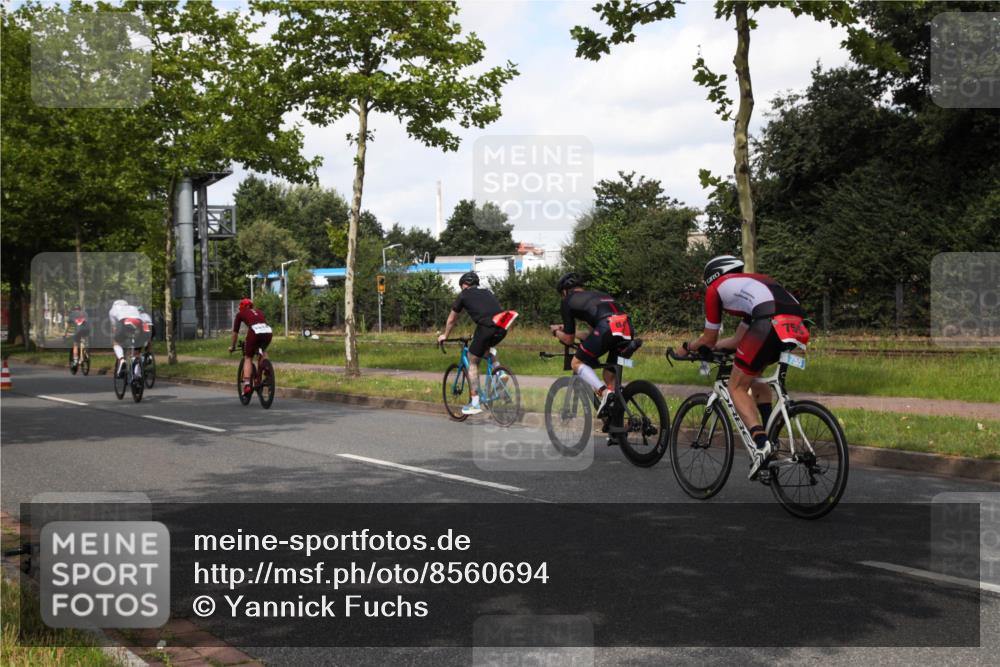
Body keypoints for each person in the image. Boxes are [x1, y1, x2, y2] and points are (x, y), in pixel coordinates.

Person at [675, 255, 810, 479]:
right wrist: (716, 347)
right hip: (796, 323)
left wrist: (689, 347)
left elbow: (708, 339)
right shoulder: (751, 285)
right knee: (755, 378)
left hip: (768, 321)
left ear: (713, 276)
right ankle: (771, 438)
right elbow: (739, 340)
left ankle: (762, 443)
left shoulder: (715, 289)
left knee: (736, 386)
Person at [550, 272, 634, 418]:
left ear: (564, 291)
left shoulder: (567, 301)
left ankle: (603, 392)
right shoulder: (596, 296)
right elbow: (593, 335)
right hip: (626, 327)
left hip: (607, 328)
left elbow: (568, 340)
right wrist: (575, 333)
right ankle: (616, 423)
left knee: (576, 362)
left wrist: (556, 332)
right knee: (609, 375)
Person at [436, 272, 517, 415]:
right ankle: (500, 372)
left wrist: (445, 335)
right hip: (502, 325)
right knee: (487, 349)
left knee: (473, 360)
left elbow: (452, 320)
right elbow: (488, 313)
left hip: (486, 327)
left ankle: (475, 402)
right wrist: (477, 334)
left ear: (464, 285)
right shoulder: (487, 292)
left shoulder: (463, 295)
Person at [229, 298, 272, 396]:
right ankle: (267, 369)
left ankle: (247, 385)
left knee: (248, 357)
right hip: (268, 332)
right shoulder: (259, 311)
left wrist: (233, 346)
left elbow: (235, 333)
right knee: (263, 350)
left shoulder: (240, 314)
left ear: (241, 307)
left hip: (254, 332)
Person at [108, 299, 144, 377]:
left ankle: (122, 360)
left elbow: (114, 328)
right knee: (137, 349)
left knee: (116, 342)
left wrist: (118, 337)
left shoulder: (112, 310)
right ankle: (137, 372)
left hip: (124, 323)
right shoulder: (133, 307)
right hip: (139, 323)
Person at [65, 304, 90, 370]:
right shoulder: (85, 313)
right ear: (80, 309)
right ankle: (86, 349)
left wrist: (66, 333)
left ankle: (75, 360)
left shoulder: (72, 314)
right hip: (87, 330)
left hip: (78, 331)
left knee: (75, 344)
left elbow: (68, 325)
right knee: (84, 339)